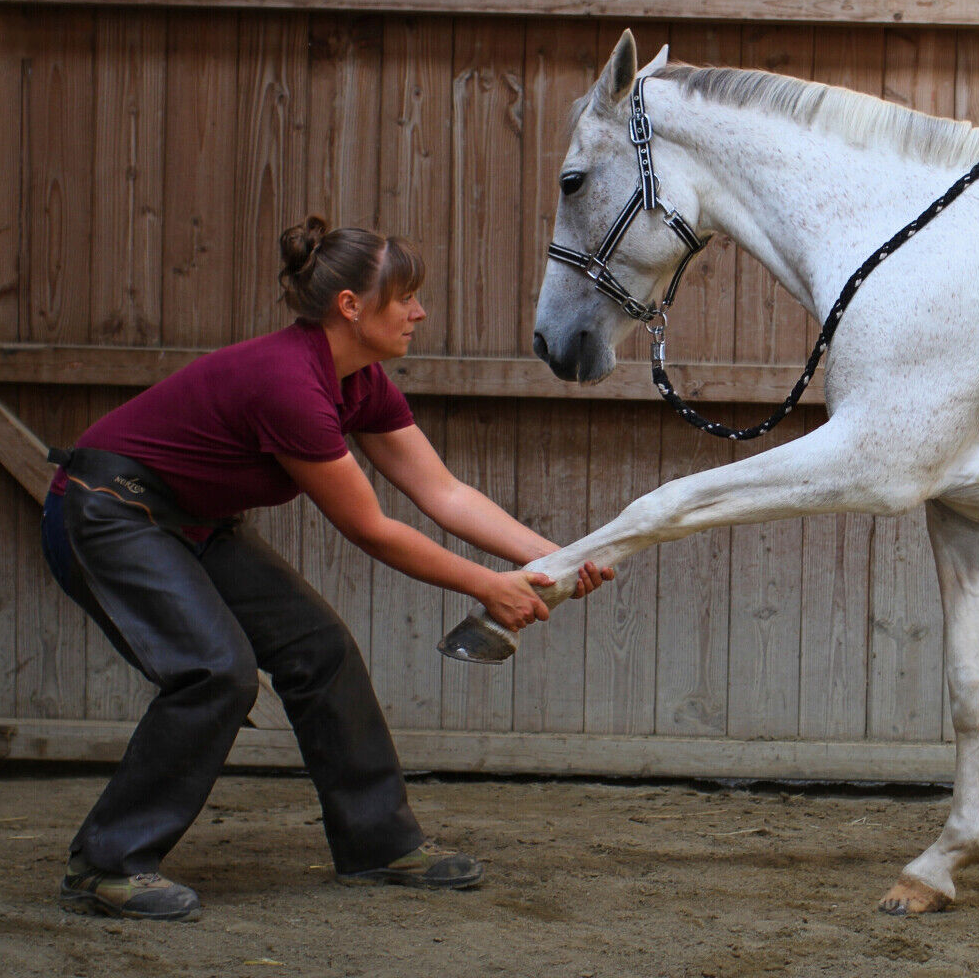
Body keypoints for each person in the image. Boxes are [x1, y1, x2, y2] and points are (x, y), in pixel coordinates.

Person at [40, 216, 612, 922]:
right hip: (108, 511)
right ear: (350, 306)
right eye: (404, 297)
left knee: (320, 651)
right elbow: (371, 528)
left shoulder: (360, 382)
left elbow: (444, 493)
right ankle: (106, 865)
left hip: (188, 522)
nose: (419, 312)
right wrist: (486, 584)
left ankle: (377, 844)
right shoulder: (288, 381)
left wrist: (556, 559)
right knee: (213, 670)